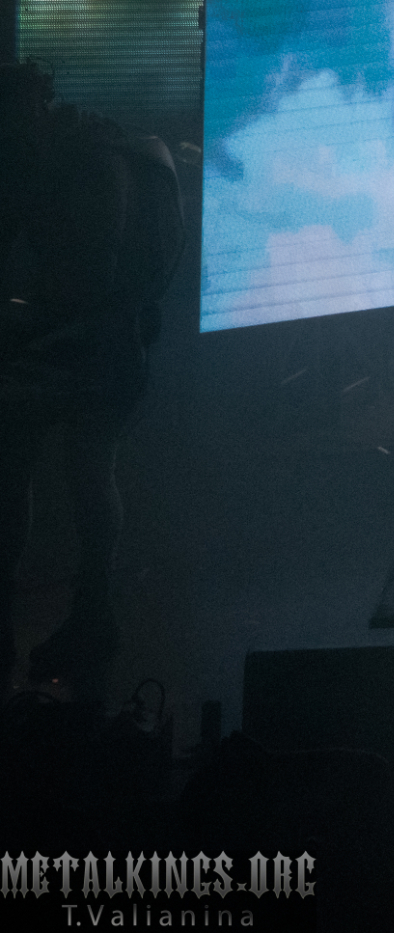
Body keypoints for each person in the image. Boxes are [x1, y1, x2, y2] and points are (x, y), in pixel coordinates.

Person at [0, 59, 186, 691]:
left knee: (74, 474)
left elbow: (87, 278)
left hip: (95, 346)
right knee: (72, 474)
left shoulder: (90, 164)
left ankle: (90, 614)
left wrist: (24, 321)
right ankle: (88, 614)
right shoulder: (67, 153)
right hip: (95, 346)